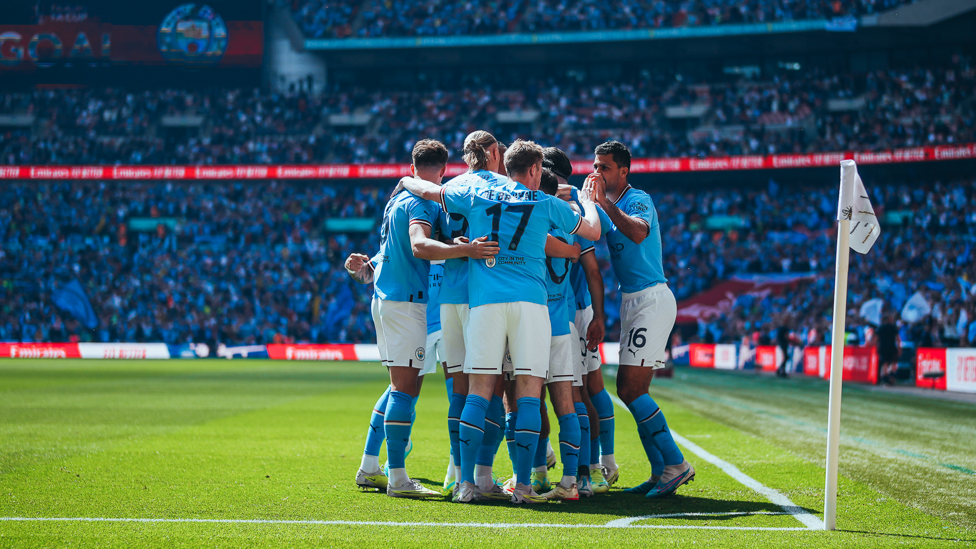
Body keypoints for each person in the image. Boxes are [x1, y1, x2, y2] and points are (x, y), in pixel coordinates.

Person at [399, 139, 602, 504]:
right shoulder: (544, 202)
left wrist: (406, 180)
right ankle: (523, 487)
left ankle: (465, 484)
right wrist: (587, 199)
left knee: (478, 390)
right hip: (531, 306)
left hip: (485, 304)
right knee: (527, 392)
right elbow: (591, 231)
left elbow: (431, 191)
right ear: (536, 170)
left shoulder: (476, 196)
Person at [347, 139, 499, 498]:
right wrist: (467, 249)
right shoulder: (424, 203)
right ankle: (400, 478)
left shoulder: (396, 201)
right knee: (413, 388)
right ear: (445, 171)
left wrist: (365, 270)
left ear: (413, 168)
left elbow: (387, 255)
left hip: (395, 301)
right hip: (418, 305)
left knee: (403, 386)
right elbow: (418, 244)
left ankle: (373, 465)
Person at [587, 140, 695, 498]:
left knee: (629, 389)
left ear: (623, 171)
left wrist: (601, 203)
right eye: (596, 165)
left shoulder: (638, 199)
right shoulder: (607, 205)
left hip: (651, 298)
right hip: (631, 300)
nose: (598, 172)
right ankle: (660, 472)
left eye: (605, 167)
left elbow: (637, 232)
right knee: (636, 391)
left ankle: (676, 464)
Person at [544, 146, 614, 494]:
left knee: (580, 392)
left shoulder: (567, 208)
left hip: (570, 309)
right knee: (572, 392)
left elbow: (591, 268)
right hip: (566, 308)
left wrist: (597, 316)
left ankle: (591, 467)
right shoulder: (567, 207)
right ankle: (580, 470)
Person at [876, 313, 901, 385]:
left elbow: (877, 339)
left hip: (883, 348)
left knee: (885, 363)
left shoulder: (881, 327)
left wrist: (877, 347)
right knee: (892, 362)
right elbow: (897, 338)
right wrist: (899, 347)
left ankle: (885, 377)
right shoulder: (893, 327)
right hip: (891, 347)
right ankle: (890, 376)